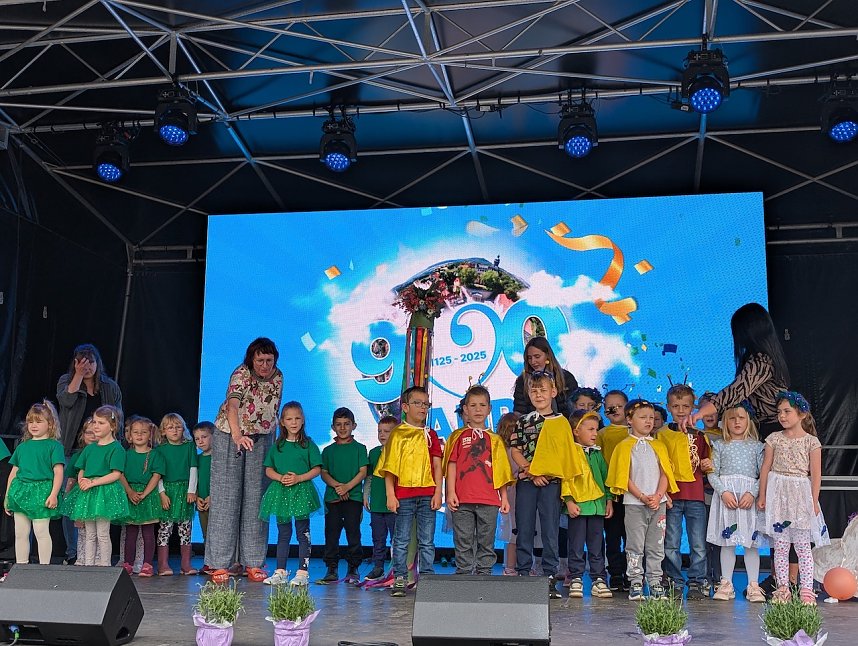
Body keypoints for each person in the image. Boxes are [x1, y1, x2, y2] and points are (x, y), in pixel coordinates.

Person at [206, 337, 283, 584]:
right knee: (227, 497)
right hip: (231, 435)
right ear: (251, 360)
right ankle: (219, 563)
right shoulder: (241, 375)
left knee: (256, 498)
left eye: (269, 360)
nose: (264, 365)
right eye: (260, 360)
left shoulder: (278, 377)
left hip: (261, 437)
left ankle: (252, 561)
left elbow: (273, 410)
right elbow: (232, 407)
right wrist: (238, 436)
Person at [509, 370, 583, 598]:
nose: (538, 394)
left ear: (553, 392)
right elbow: (515, 450)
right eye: (534, 390)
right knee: (524, 527)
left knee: (551, 529)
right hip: (527, 482)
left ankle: (550, 575)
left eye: (543, 390)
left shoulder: (561, 423)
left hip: (551, 483)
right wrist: (531, 471)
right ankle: (523, 571)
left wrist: (548, 475)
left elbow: (565, 456)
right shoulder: (524, 421)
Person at [758, 391, 829, 605]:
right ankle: (782, 588)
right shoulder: (773, 439)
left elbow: (815, 475)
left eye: (787, 411)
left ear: (802, 414)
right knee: (780, 546)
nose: (782, 416)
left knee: (802, 546)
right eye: (779, 412)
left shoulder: (811, 442)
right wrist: (762, 495)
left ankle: (806, 589)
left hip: (800, 496)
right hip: (778, 495)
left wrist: (813, 501)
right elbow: (765, 468)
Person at [56, 344, 122, 563]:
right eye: (82, 362)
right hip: (73, 449)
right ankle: (74, 553)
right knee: (72, 501)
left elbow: (117, 416)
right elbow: (66, 400)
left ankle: (100, 559)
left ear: (98, 363)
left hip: (102, 450)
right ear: (75, 363)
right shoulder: (66, 381)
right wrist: (77, 375)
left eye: (91, 362)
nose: (87, 367)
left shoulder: (109, 387)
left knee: (99, 508)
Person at [605, 399, 678, 600]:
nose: (648, 421)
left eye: (651, 418)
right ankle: (635, 581)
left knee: (656, 544)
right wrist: (642, 496)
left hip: (658, 504)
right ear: (629, 419)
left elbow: (665, 473)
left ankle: (655, 581)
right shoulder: (624, 446)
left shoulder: (659, 445)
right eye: (643, 417)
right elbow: (623, 476)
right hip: (635, 504)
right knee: (635, 545)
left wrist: (658, 495)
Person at [375, 386, 444, 597]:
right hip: (404, 495)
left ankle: (427, 579)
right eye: (417, 403)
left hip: (427, 494)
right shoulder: (398, 434)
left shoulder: (430, 434)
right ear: (405, 407)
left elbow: (437, 465)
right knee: (401, 539)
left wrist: (438, 492)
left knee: (427, 540)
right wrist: (390, 494)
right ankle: (400, 578)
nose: (422, 408)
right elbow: (389, 468)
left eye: (426, 404)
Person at [687, 304, 790, 440]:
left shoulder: (762, 360)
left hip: (773, 429)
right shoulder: (764, 357)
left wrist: (701, 413)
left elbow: (737, 391)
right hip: (766, 428)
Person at [444, 386, 514, 575]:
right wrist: (450, 492)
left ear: (489, 409)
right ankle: (464, 572)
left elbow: (501, 471)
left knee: (486, 539)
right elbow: (451, 464)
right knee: (463, 538)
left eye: (482, 405)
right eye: (473, 405)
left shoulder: (495, 439)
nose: (478, 409)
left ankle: (484, 573)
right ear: (465, 409)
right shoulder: (457, 437)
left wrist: (504, 498)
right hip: (462, 499)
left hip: (489, 500)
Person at [706, 402, 767, 603]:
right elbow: (712, 472)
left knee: (751, 543)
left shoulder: (757, 446)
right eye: (732, 418)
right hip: (728, 499)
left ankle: (753, 585)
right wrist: (723, 492)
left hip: (748, 499)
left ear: (748, 420)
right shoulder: (719, 445)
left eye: (741, 418)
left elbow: (764, 474)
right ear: (725, 422)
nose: (737, 422)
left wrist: (752, 493)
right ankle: (726, 583)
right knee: (728, 541)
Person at [658, 384, 713, 599]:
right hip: (671, 496)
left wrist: (708, 464)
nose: (681, 410)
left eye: (686, 406)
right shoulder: (661, 435)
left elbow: (708, 461)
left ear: (693, 408)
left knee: (698, 543)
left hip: (695, 496)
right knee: (671, 543)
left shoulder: (700, 434)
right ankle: (674, 581)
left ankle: (697, 581)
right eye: (675, 406)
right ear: (668, 407)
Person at [259, 402, 322, 587]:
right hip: (281, 494)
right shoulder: (277, 446)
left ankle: (302, 572)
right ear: (282, 422)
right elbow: (268, 469)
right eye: (289, 419)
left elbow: (317, 468)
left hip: (301, 492)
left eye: (297, 418)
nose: (293, 422)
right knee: (283, 533)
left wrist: (299, 478)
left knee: (303, 532)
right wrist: (280, 478)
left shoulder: (308, 445)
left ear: (303, 420)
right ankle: (280, 572)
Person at [65, 405, 129, 566]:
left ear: (112, 426)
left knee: (102, 533)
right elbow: (82, 469)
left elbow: (116, 474)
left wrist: (93, 482)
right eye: (94, 422)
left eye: (101, 423)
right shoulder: (89, 449)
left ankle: (104, 566)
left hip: (103, 493)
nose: (96, 426)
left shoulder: (116, 448)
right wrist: (82, 480)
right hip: (88, 492)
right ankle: (89, 566)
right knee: (89, 533)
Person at [3, 401, 65, 565]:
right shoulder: (23, 447)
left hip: (42, 491)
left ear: (50, 424)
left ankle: (44, 567)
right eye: (30, 422)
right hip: (21, 491)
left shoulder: (54, 446)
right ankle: (21, 565)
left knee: (41, 531)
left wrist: (53, 494)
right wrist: (8, 496)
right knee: (20, 533)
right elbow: (14, 472)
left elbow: (58, 472)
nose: (34, 425)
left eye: (38, 421)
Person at [564, 409, 613, 599]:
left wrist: (608, 500)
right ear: (576, 431)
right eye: (590, 429)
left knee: (596, 545)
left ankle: (598, 579)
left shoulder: (597, 454)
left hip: (597, 507)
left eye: (596, 429)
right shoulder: (570, 453)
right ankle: (575, 577)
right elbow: (566, 478)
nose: (595, 433)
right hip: (578, 506)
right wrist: (568, 500)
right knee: (576, 545)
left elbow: (605, 478)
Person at [318, 407, 368, 585]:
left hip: (353, 498)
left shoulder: (360, 448)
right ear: (333, 427)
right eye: (338, 424)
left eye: (346, 424)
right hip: (333, 498)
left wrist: (347, 487)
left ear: (354, 425)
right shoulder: (328, 451)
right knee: (331, 533)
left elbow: (363, 472)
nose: (342, 428)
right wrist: (338, 487)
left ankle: (353, 568)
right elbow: (324, 473)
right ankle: (331, 568)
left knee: (353, 533)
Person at [120, 415, 164, 577]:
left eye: (143, 432)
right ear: (130, 435)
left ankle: (147, 564)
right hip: (130, 493)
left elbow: (156, 475)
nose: (139, 435)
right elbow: (119, 474)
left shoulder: (155, 455)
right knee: (131, 533)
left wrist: (144, 494)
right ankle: (128, 564)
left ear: (150, 435)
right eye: (136, 432)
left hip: (148, 495)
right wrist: (129, 491)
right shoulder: (125, 455)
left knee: (148, 532)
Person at [155, 413, 198, 576]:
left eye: (178, 427)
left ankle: (186, 564)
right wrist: (162, 493)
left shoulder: (189, 446)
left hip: (184, 490)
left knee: (185, 529)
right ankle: (163, 564)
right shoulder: (160, 450)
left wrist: (191, 490)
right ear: (163, 431)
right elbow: (157, 474)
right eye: (170, 427)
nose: (174, 430)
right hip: (167, 491)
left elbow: (193, 468)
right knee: (165, 529)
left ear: (183, 429)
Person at [597, 389, 630, 592]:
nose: (615, 409)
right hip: (611, 494)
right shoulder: (601, 434)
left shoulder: (635, 432)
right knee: (612, 535)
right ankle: (616, 573)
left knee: (632, 537)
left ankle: (631, 573)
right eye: (610, 407)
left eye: (620, 406)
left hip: (633, 493)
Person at [364, 415, 399, 581]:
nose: (382, 434)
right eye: (380, 431)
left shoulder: (399, 453)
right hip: (377, 505)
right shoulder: (373, 453)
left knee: (397, 539)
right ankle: (378, 567)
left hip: (394, 506)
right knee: (378, 538)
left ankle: (397, 570)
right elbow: (369, 477)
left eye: (387, 431)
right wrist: (366, 495)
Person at [512, 337, 578, 417]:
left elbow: (575, 408)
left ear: (547, 355)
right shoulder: (522, 381)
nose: (533, 361)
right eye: (529, 358)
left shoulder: (566, 378)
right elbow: (519, 411)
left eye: (537, 356)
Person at [63, 418, 96, 565]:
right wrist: (67, 495)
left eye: (95, 432)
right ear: (82, 435)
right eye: (88, 433)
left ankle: (96, 558)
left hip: (97, 495)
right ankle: (77, 555)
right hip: (80, 496)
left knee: (96, 529)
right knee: (79, 527)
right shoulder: (77, 456)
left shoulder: (105, 452)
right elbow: (71, 478)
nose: (92, 436)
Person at [495, 411, 521, 575]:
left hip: (518, 493)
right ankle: (510, 566)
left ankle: (513, 566)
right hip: (510, 494)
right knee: (513, 531)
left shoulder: (513, 450)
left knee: (516, 531)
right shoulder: (505, 451)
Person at [192, 422, 214, 550]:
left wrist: (213, 497)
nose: (200, 441)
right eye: (197, 439)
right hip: (202, 502)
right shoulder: (197, 459)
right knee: (206, 534)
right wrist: (196, 497)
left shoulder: (219, 458)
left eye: (204, 437)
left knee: (218, 534)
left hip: (216, 502)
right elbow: (194, 481)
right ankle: (208, 559)